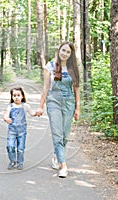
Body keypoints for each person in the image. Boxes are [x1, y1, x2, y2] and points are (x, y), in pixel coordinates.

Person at [36, 41, 80, 178]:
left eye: (68, 52)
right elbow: (45, 88)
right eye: (63, 50)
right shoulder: (50, 66)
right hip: (53, 103)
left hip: (69, 104)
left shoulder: (73, 68)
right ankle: (63, 166)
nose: (65, 54)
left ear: (71, 54)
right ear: (59, 50)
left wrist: (78, 108)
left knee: (65, 135)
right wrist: (40, 106)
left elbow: (77, 88)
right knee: (57, 134)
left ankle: (57, 154)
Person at [3, 87, 37, 170]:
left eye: (18, 95)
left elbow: (32, 113)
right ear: (12, 97)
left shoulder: (25, 106)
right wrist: (6, 119)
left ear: (22, 96)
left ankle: (20, 162)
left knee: (20, 148)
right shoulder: (10, 106)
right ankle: (12, 161)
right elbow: (5, 115)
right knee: (10, 146)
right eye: (14, 95)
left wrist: (37, 112)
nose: (16, 97)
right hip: (12, 130)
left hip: (22, 131)